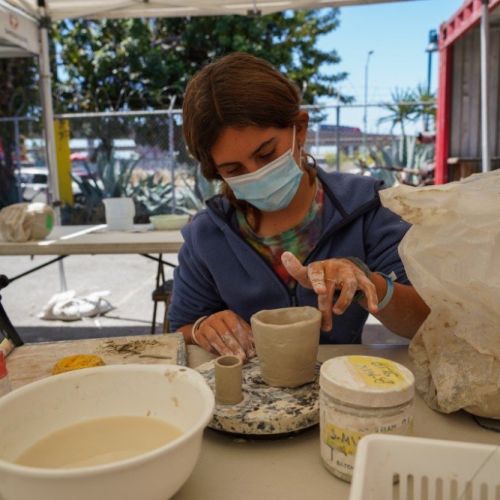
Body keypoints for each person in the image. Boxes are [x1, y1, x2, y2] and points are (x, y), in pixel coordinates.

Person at [168, 52, 429, 360]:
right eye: (234, 169)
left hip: (342, 376)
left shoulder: (364, 207)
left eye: (266, 154)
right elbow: (181, 328)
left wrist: (366, 282)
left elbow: (426, 319)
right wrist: (203, 327)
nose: (256, 173)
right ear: (214, 170)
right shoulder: (207, 235)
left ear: (300, 129)